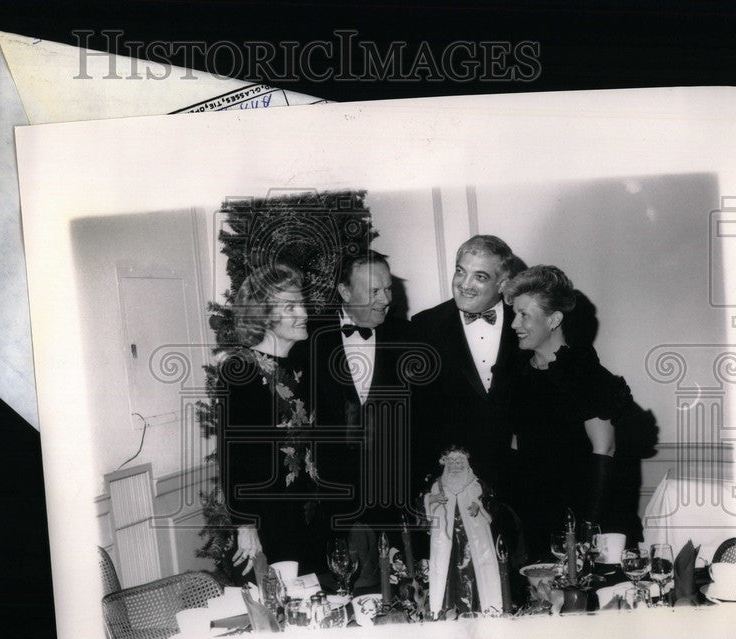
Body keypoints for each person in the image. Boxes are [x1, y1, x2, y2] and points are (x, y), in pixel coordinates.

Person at [502, 265, 641, 560]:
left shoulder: (585, 374)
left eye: (524, 314)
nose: (514, 324)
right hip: (535, 518)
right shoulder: (518, 375)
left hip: (586, 520)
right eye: (515, 314)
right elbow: (516, 446)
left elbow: (605, 449)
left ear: (554, 319)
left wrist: (588, 530)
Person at [298, 251, 414, 588]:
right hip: (330, 507)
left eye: (388, 289)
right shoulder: (306, 339)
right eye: (373, 292)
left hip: (394, 502)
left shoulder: (407, 337)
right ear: (345, 292)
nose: (385, 300)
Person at [218, 263, 330, 577]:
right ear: (265, 315)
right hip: (271, 522)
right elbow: (234, 458)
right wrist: (245, 525)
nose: (304, 314)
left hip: (311, 514)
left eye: (302, 304)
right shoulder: (242, 371)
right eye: (291, 307)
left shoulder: (302, 365)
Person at [410, 235, 526, 494]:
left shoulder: (526, 324)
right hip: (451, 481)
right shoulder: (423, 327)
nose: (465, 284)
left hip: (521, 477)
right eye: (460, 272)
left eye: (480, 277)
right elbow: (416, 416)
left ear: (503, 284)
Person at [420, 446, 504, 617]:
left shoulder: (477, 485)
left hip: (473, 542)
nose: (456, 465)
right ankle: (445, 610)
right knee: (446, 572)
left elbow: (492, 502)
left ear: (466, 462)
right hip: (446, 540)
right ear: (445, 464)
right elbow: (420, 505)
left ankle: (477, 609)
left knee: (473, 573)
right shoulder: (437, 486)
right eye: (451, 461)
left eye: (460, 461)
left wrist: (479, 505)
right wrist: (431, 499)